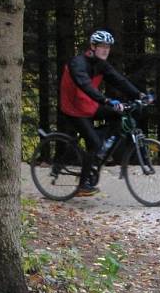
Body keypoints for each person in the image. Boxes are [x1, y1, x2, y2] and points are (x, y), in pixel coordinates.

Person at [59, 29, 148, 196]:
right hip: (73, 109)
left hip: (89, 105)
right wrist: (106, 101)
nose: (106, 49)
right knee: (93, 143)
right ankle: (83, 185)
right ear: (92, 46)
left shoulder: (101, 64)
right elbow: (85, 85)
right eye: (102, 46)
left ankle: (101, 145)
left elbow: (119, 80)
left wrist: (139, 95)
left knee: (119, 115)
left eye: (108, 46)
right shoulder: (77, 63)